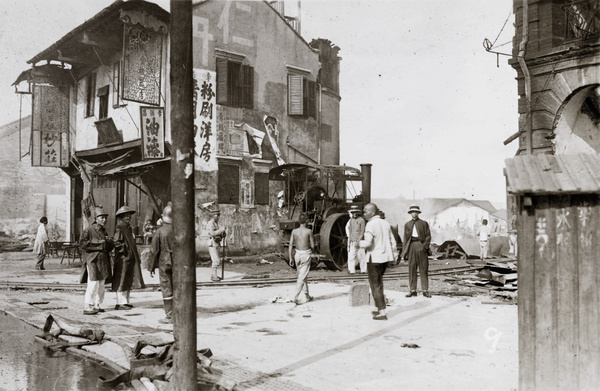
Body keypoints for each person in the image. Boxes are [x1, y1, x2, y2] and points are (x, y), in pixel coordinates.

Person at [359, 203, 398, 321]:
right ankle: (380, 308)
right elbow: (393, 243)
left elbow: (368, 243)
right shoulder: (385, 223)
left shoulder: (370, 224)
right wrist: (394, 257)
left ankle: (382, 312)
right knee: (379, 284)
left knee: (375, 285)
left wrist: (359, 243)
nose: (364, 214)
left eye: (365, 212)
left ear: (372, 212)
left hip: (374, 259)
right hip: (384, 259)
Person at [79, 206, 114, 315]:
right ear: (96, 218)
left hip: (103, 260)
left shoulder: (104, 231)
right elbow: (82, 244)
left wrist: (109, 243)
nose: (104, 220)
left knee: (102, 283)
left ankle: (97, 304)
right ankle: (88, 305)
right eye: (102, 218)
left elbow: (108, 247)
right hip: (93, 260)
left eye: (105, 218)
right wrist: (99, 244)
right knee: (93, 283)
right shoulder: (88, 230)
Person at [112, 205, 145, 310]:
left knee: (128, 279)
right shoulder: (119, 227)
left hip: (130, 257)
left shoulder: (128, 228)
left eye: (129, 215)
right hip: (123, 258)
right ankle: (120, 303)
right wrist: (124, 251)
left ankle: (125, 301)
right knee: (121, 279)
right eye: (126, 216)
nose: (129, 217)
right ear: (121, 217)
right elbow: (116, 242)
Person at [148, 204, 174, 324]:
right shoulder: (179, 229)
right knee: (177, 286)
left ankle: (169, 315)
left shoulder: (159, 231)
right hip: (178, 261)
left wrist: (151, 266)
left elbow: (154, 250)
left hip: (164, 261)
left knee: (166, 286)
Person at [400, 205, 432, 298]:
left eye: (416, 212)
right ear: (410, 213)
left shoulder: (424, 223)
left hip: (421, 246)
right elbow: (405, 239)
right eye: (412, 212)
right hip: (411, 246)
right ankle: (412, 290)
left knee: (423, 268)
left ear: (418, 213)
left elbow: (428, 236)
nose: (414, 214)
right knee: (412, 268)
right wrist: (404, 252)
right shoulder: (407, 224)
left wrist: (424, 246)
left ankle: (425, 290)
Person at [289, 213, 315, 305]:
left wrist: (290, 258)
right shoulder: (309, 231)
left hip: (297, 255)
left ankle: (307, 296)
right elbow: (312, 245)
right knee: (301, 277)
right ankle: (295, 297)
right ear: (307, 221)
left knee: (303, 276)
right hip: (305, 255)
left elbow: (290, 245)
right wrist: (313, 249)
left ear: (299, 221)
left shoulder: (294, 231)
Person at [207, 208, 226, 282]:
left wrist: (223, 234)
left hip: (216, 242)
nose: (218, 217)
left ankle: (213, 275)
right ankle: (214, 276)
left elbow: (218, 233)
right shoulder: (210, 223)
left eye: (218, 215)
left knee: (217, 259)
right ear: (213, 216)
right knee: (215, 260)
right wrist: (221, 230)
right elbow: (212, 233)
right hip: (212, 243)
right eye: (217, 215)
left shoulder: (215, 223)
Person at [345, 205, 366, 274]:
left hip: (360, 242)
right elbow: (350, 231)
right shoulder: (351, 221)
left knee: (361, 256)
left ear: (358, 213)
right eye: (353, 212)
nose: (354, 214)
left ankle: (363, 270)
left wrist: (358, 241)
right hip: (352, 241)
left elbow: (362, 232)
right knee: (351, 256)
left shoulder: (361, 220)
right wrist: (350, 241)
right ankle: (352, 271)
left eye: (355, 212)